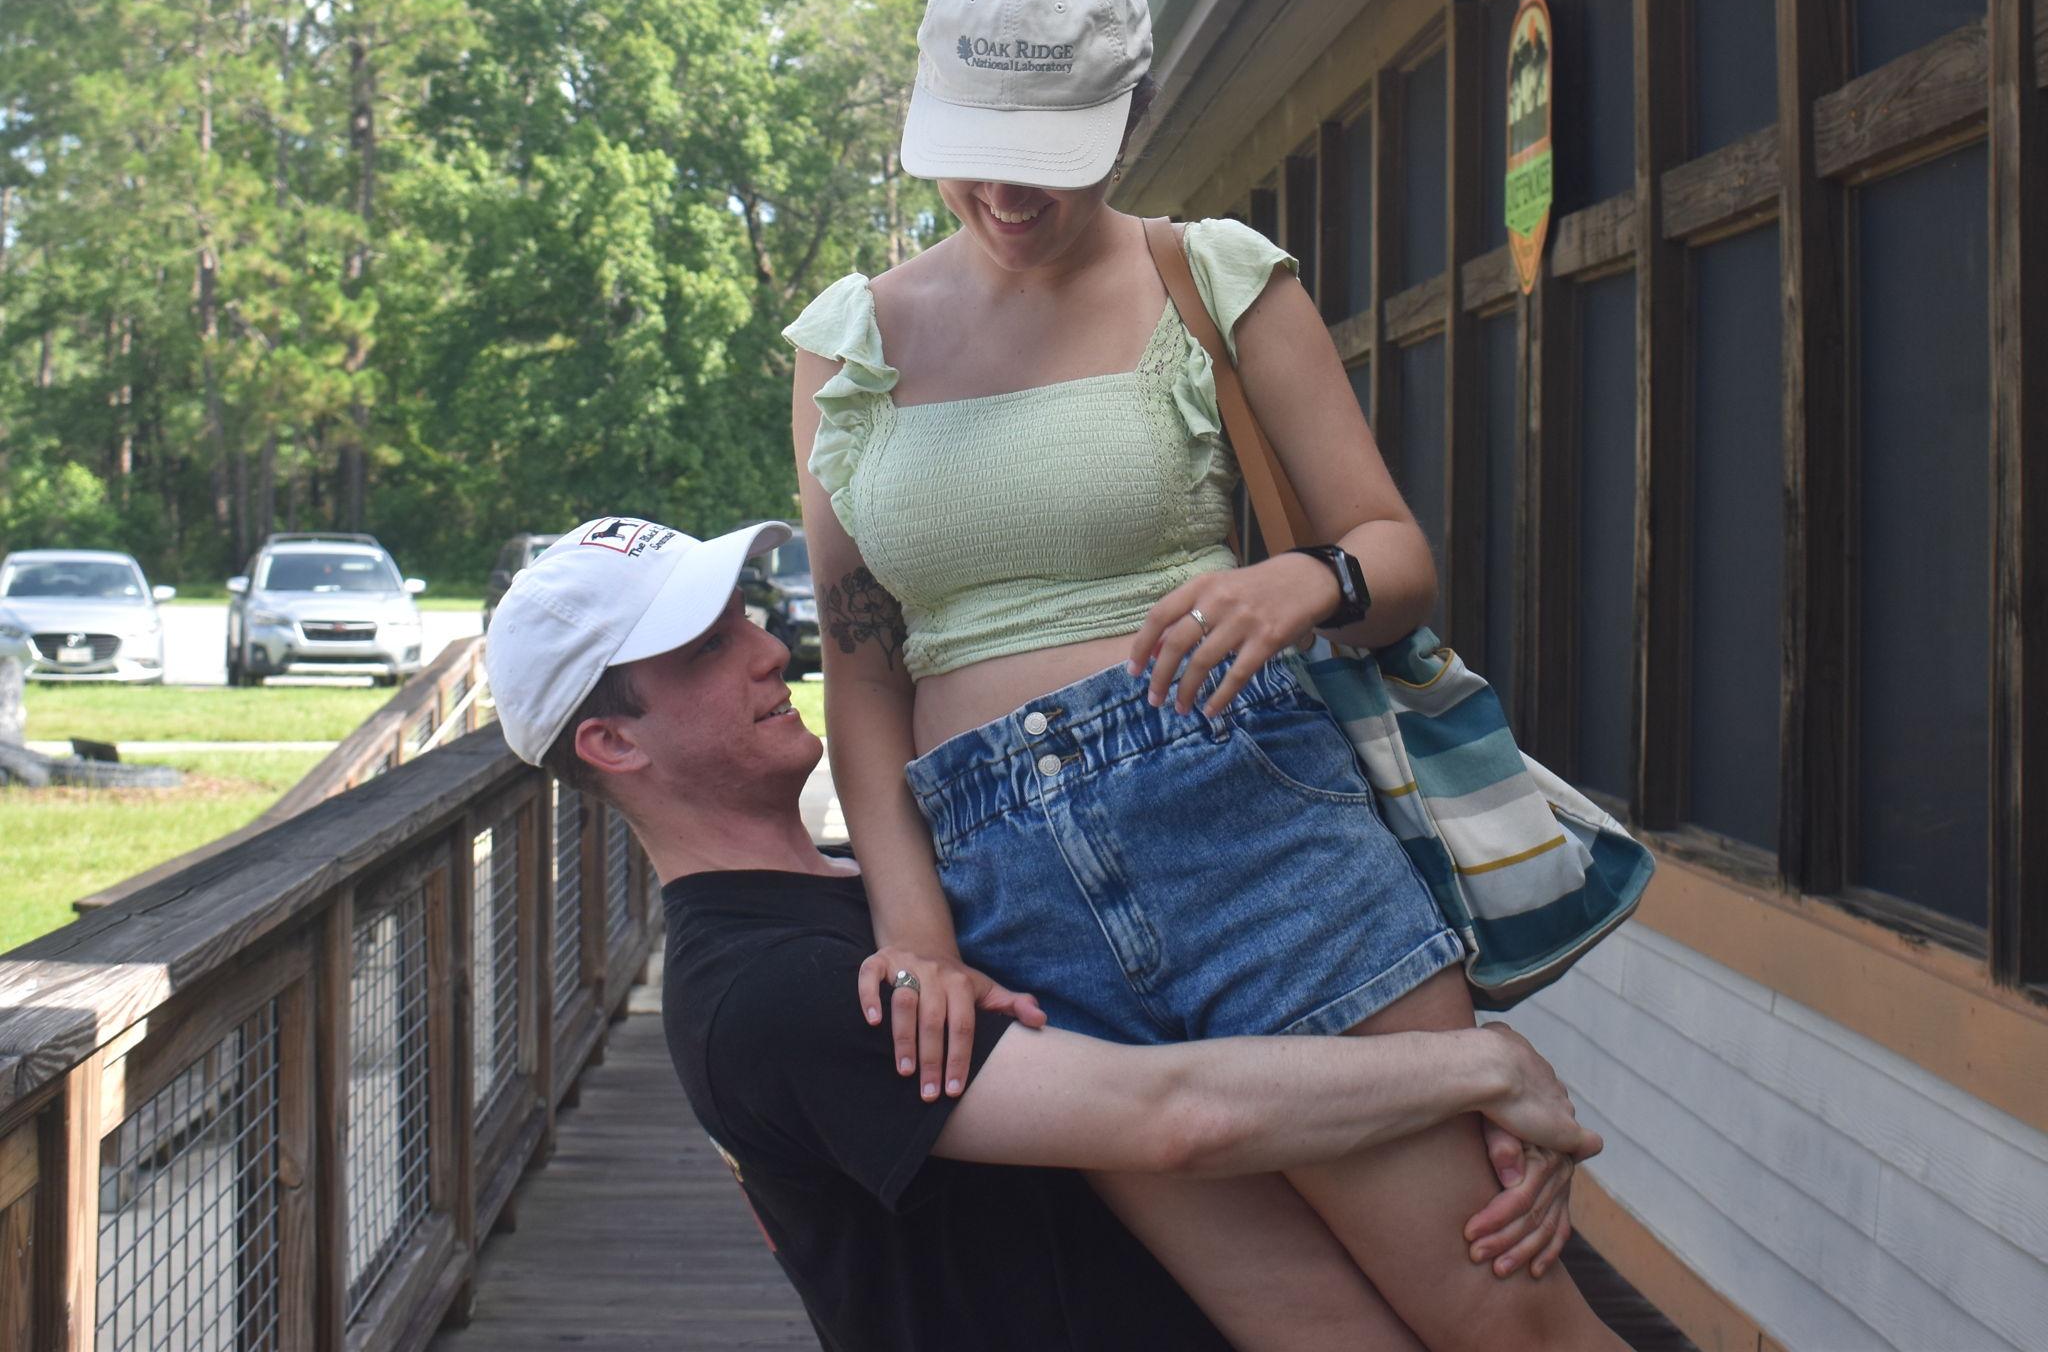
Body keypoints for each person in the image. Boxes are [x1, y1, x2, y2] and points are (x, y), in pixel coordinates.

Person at [783, 0, 1628, 1351]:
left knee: (1505, 1322)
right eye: (972, 146)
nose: (1002, 190)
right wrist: (915, 927)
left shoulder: (1212, 276)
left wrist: (1306, 582)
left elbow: (1396, 554)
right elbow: (863, 666)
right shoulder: (846, 345)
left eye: (1049, 151)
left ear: (1137, 117)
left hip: (1252, 836)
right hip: (1011, 907)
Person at [486, 516, 1605, 1352]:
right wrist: (1475, 1065)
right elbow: (1168, 1115)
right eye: (701, 649)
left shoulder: (884, 902)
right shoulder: (767, 995)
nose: (769, 649)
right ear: (611, 743)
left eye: (743, 615)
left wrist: (1455, 1127)